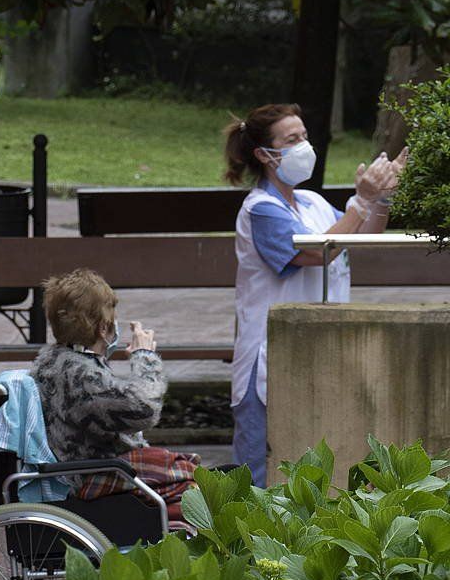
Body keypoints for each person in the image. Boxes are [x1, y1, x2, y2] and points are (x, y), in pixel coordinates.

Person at [224, 104, 407, 486]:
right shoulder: (260, 209)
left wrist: (382, 198)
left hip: (322, 346)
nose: (304, 146)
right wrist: (360, 200)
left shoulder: (311, 202)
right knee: (262, 479)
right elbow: (313, 253)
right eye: (292, 140)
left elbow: (358, 237)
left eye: (304, 136)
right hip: (270, 356)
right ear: (264, 154)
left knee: (323, 468)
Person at [30, 269, 199, 516]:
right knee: (198, 487)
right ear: (103, 328)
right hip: (96, 474)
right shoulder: (78, 374)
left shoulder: (56, 361)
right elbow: (144, 408)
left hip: (92, 466)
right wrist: (145, 356)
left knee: (186, 467)